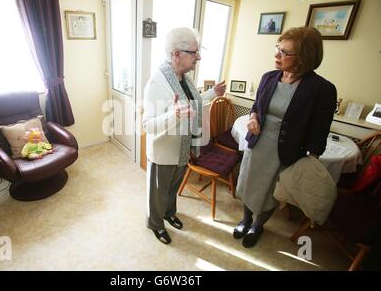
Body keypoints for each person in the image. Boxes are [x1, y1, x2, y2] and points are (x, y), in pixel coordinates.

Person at [233, 26, 337, 248]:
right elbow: (256, 106)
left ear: (302, 58)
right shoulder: (268, 77)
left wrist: (311, 158)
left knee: (270, 191)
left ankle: (257, 225)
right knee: (249, 184)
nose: (276, 55)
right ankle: (245, 219)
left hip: (285, 151)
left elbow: (321, 129)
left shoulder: (322, 89)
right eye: (277, 49)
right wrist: (253, 117)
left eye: (284, 52)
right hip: (258, 143)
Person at [143, 27, 226, 244]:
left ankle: (170, 213)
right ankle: (155, 223)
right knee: (159, 192)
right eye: (194, 52)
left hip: (183, 146)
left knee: (173, 187)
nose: (198, 57)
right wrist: (174, 115)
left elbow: (192, 103)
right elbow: (148, 125)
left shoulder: (184, 78)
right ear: (176, 54)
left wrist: (212, 94)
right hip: (164, 151)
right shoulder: (156, 83)